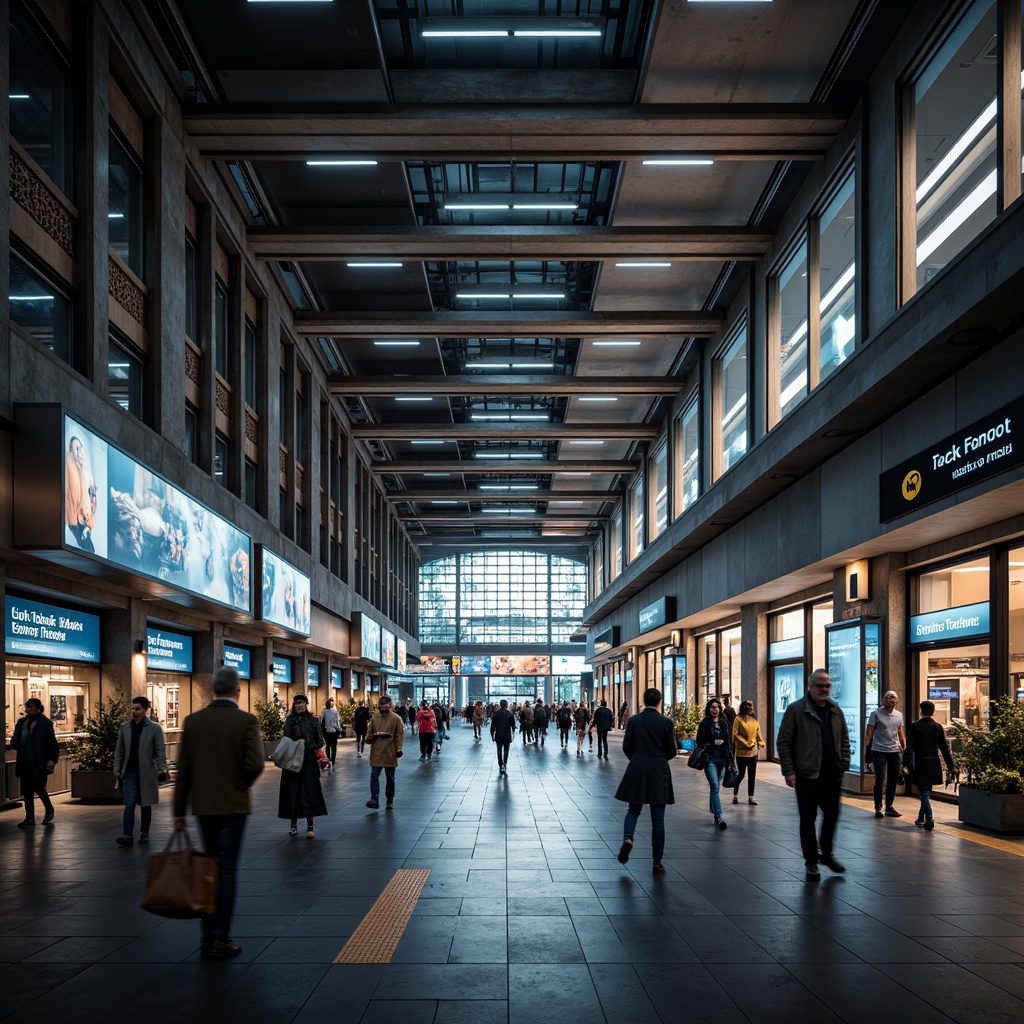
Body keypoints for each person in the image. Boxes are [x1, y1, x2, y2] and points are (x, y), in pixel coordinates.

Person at [173, 666, 265, 959]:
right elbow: (256, 764)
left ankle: (206, 936)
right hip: (233, 806)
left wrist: (178, 811)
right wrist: (240, 786)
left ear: (213, 689)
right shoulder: (246, 721)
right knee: (225, 870)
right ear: (237, 690)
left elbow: (183, 770)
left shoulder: (194, 722)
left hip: (203, 807)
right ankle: (220, 938)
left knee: (208, 869)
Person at [776, 668, 851, 881]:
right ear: (810, 686)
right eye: (820, 685)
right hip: (807, 775)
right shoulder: (796, 710)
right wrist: (789, 771)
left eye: (827, 685)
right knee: (808, 820)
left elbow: (844, 739)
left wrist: (843, 763)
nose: (824, 689)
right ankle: (811, 862)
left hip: (831, 775)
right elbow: (784, 742)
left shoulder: (835, 710)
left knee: (832, 815)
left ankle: (826, 854)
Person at [614, 687, 677, 876]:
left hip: (638, 768)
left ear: (643, 700)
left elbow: (627, 746)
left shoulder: (633, 721)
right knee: (658, 818)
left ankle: (628, 837)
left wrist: (637, 758)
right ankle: (657, 863)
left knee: (633, 809)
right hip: (659, 770)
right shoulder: (667, 722)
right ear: (659, 701)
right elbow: (672, 751)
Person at [113, 695, 168, 847]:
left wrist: (161, 768)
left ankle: (144, 832)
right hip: (129, 772)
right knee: (129, 803)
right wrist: (117, 769)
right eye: (133, 709)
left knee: (145, 803)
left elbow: (160, 750)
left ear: (145, 710)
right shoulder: (125, 727)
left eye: (137, 709)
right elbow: (119, 751)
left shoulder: (154, 728)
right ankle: (128, 835)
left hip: (146, 773)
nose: (134, 712)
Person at [277, 694, 327, 838]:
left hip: (308, 761)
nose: (299, 705)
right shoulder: (289, 720)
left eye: (302, 703)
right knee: (292, 792)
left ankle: (310, 824)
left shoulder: (313, 720)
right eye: (297, 703)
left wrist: (307, 743)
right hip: (292, 762)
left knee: (309, 792)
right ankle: (293, 825)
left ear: (306, 704)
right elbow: (286, 739)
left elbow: (320, 741)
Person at [11, 697, 59, 828]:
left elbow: (52, 744)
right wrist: (15, 741)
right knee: (27, 790)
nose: (29, 710)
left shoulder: (45, 723)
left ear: (38, 708)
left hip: (39, 761)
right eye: (27, 707)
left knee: (38, 787)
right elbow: (16, 740)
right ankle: (29, 817)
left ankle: (49, 809)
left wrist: (52, 760)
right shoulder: (22, 722)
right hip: (24, 760)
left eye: (32, 708)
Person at [906, 700, 955, 830]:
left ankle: (929, 817)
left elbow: (910, 747)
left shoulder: (915, 726)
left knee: (923, 793)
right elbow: (944, 749)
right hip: (934, 762)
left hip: (921, 762)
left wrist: (905, 763)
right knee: (926, 791)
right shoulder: (938, 727)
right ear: (933, 712)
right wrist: (951, 766)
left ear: (920, 710)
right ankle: (921, 817)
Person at [866, 690, 907, 818]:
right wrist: (867, 751)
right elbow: (869, 733)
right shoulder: (875, 713)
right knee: (880, 780)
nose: (892, 700)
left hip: (895, 751)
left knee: (893, 780)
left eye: (894, 697)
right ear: (883, 701)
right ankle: (878, 806)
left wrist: (904, 749)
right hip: (879, 750)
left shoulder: (899, 715)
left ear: (897, 700)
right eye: (889, 697)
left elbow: (900, 733)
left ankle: (889, 807)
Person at [695, 698, 734, 830]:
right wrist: (712, 743)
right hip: (710, 759)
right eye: (712, 707)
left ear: (720, 709)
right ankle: (720, 815)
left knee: (714, 788)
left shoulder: (724, 723)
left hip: (722, 759)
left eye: (717, 707)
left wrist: (731, 759)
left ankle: (715, 815)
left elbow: (728, 741)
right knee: (715, 786)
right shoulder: (704, 723)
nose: (714, 709)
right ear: (708, 709)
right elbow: (699, 742)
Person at [366, 694, 404, 810]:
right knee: (374, 776)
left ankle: (389, 800)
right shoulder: (375, 718)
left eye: (385, 704)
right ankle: (374, 799)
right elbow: (368, 736)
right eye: (380, 704)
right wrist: (372, 736)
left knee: (390, 778)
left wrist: (398, 749)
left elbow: (399, 736)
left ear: (390, 705)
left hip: (390, 752)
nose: (382, 706)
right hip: (376, 752)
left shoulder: (396, 718)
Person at [64, 435, 97, 552]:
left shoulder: (85, 468)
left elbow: (93, 499)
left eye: (80, 448)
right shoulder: (69, 462)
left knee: (89, 550)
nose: (79, 451)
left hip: (84, 518)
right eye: (76, 448)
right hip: (76, 518)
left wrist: (88, 526)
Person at [731, 699, 765, 805]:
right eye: (749, 706)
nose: (752, 708)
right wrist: (745, 743)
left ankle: (751, 797)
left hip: (753, 752)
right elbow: (735, 734)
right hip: (742, 753)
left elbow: (758, 733)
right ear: (745, 707)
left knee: (752, 775)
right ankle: (735, 794)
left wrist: (761, 742)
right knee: (741, 774)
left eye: (752, 706)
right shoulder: (738, 719)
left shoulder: (754, 720)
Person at [490, 698, 516, 774]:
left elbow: (493, 726)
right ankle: (505, 763)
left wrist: (492, 735)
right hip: (507, 735)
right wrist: (513, 734)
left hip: (498, 735)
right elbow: (513, 726)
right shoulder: (510, 714)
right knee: (506, 750)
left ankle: (500, 764)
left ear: (500, 705)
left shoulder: (496, 714)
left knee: (499, 750)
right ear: (507, 705)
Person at [320, 698, 341, 769]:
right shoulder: (335, 712)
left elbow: (321, 721)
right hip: (334, 731)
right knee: (334, 746)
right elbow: (338, 721)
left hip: (327, 731)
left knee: (328, 745)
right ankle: (333, 759)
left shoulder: (324, 712)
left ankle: (328, 759)